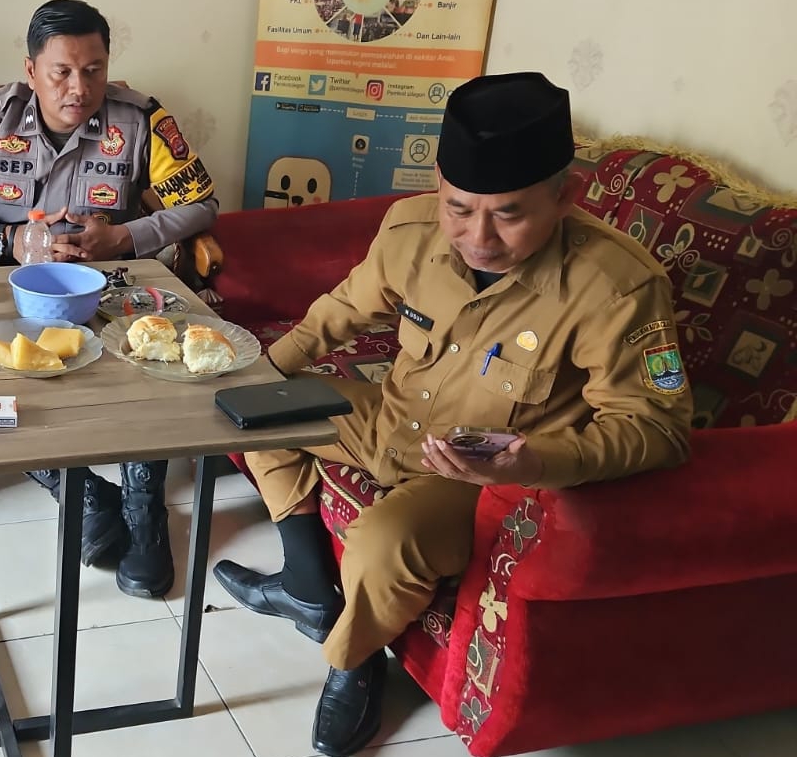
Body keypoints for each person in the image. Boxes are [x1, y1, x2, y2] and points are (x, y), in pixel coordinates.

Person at [211, 72, 693, 756]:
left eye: (509, 214)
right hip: (391, 421)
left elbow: (658, 428)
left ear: (566, 196)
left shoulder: (615, 288)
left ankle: (353, 663)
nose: (479, 237)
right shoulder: (410, 228)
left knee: (385, 542)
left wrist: (537, 461)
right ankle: (307, 585)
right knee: (256, 409)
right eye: (459, 208)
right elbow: (342, 310)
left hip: (481, 473)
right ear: (439, 182)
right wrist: (259, 375)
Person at [0, 0, 219, 598]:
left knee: (152, 366)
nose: (80, 88)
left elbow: (202, 205)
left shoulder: (141, 120)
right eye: (62, 72)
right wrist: (2, 239)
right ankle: (80, 489)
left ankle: (143, 507)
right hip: (13, 287)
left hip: (111, 286)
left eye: (94, 70)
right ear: (31, 70)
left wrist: (126, 236)